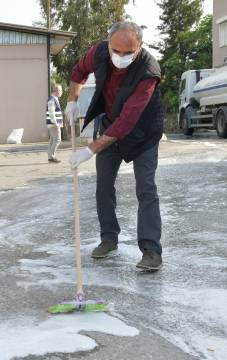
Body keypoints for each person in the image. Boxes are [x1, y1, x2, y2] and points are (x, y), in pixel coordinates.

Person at [64, 21, 164, 271]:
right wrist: (71, 100)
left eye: (128, 52)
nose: (120, 57)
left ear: (140, 46)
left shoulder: (149, 71)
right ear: (109, 44)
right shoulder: (99, 52)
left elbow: (127, 121)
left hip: (143, 134)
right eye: (115, 51)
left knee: (146, 189)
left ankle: (151, 251)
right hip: (109, 124)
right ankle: (109, 239)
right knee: (103, 186)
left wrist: (90, 149)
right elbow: (78, 72)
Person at [46, 84, 64, 163]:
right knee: (57, 140)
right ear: (56, 91)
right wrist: (55, 123)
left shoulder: (54, 99)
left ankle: (50, 157)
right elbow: (51, 112)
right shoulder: (52, 100)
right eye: (60, 90)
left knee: (53, 140)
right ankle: (52, 157)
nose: (61, 92)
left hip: (53, 124)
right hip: (54, 124)